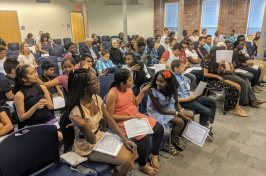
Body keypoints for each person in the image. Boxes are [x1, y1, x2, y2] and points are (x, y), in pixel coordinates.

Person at [61, 69, 138, 176]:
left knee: (132, 150)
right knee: (127, 160)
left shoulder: (96, 98)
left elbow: (109, 120)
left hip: (101, 136)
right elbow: (91, 140)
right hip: (87, 147)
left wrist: (124, 139)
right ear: (84, 87)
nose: (98, 84)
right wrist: (83, 125)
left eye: (97, 80)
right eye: (94, 82)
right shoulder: (77, 110)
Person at [106, 69, 164, 176]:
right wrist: (129, 117)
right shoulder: (112, 94)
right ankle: (142, 165)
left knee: (159, 128)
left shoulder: (129, 90)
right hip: (122, 121)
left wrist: (142, 91)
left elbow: (135, 103)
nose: (132, 81)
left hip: (134, 116)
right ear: (123, 83)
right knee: (144, 138)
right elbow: (110, 117)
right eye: (130, 80)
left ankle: (154, 154)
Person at [147, 70, 194, 155]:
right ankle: (168, 144)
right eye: (157, 80)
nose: (158, 83)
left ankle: (177, 137)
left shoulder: (173, 89)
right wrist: (178, 114)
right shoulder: (152, 91)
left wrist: (181, 111)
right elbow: (160, 110)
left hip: (168, 107)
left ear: (168, 83)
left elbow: (176, 103)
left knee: (190, 115)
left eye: (161, 81)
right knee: (180, 122)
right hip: (157, 111)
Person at [14, 65, 62, 141]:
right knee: (58, 138)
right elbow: (22, 118)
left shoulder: (42, 87)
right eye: (31, 73)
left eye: (35, 72)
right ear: (24, 78)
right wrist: (35, 107)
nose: (36, 74)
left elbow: (51, 108)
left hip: (49, 119)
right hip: (35, 124)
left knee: (62, 137)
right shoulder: (19, 95)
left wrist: (46, 102)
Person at [171, 60, 216, 140]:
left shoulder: (181, 76)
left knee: (212, 102)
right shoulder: (172, 80)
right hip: (185, 101)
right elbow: (173, 98)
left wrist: (194, 92)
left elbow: (185, 90)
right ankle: (200, 131)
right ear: (176, 68)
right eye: (182, 66)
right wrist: (187, 98)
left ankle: (206, 125)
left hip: (190, 97)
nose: (184, 67)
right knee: (206, 111)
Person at [214, 43, 266, 107]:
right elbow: (218, 72)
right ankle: (244, 101)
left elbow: (232, 66)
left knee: (246, 79)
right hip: (222, 76)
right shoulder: (215, 59)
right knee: (242, 82)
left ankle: (253, 100)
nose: (225, 50)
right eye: (222, 49)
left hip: (230, 73)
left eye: (224, 48)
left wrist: (232, 70)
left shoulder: (227, 56)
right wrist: (222, 65)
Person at [202, 46, 247, 116]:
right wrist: (216, 76)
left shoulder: (216, 61)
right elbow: (205, 74)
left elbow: (218, 72)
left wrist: (220, 65)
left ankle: (236, 107)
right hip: (210, 82)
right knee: (232, 88)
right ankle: (235, 108)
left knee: (238, 86)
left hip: (217, 80)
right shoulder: (207, 62)